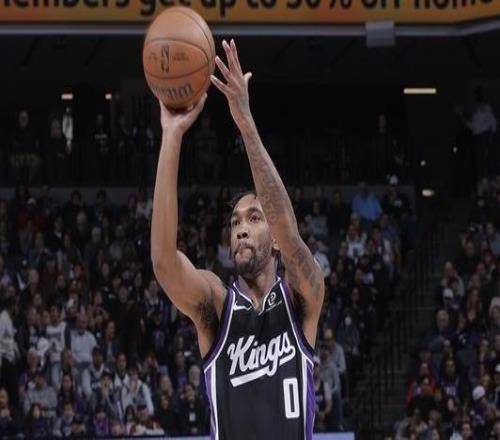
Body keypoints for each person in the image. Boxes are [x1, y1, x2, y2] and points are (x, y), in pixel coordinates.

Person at [151, 39, 325, 440]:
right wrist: (172, 136)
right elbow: (163, 261)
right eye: (234, 222)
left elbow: (288, 231)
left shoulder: (301, 298)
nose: (241, 228)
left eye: (254, 218)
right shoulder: (217, 305)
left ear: (274, 239)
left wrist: (245, 123)